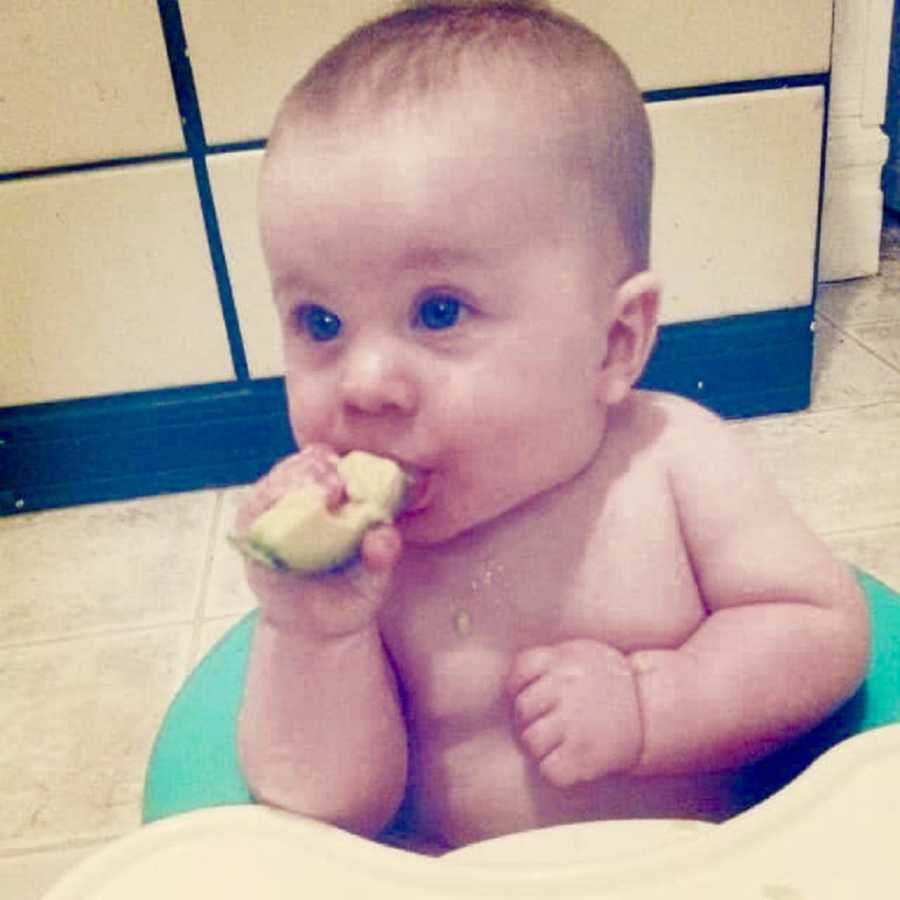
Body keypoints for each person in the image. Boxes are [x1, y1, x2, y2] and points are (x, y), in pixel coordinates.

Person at [234, 1, 870, 852]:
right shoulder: (366, 569)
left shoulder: (670, 461)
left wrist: (655, 702)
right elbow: (328, 815)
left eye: (438, 310)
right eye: (319, 323)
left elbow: (823, 629)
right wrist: (313, 634)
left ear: (613, 343)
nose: (365, 383)